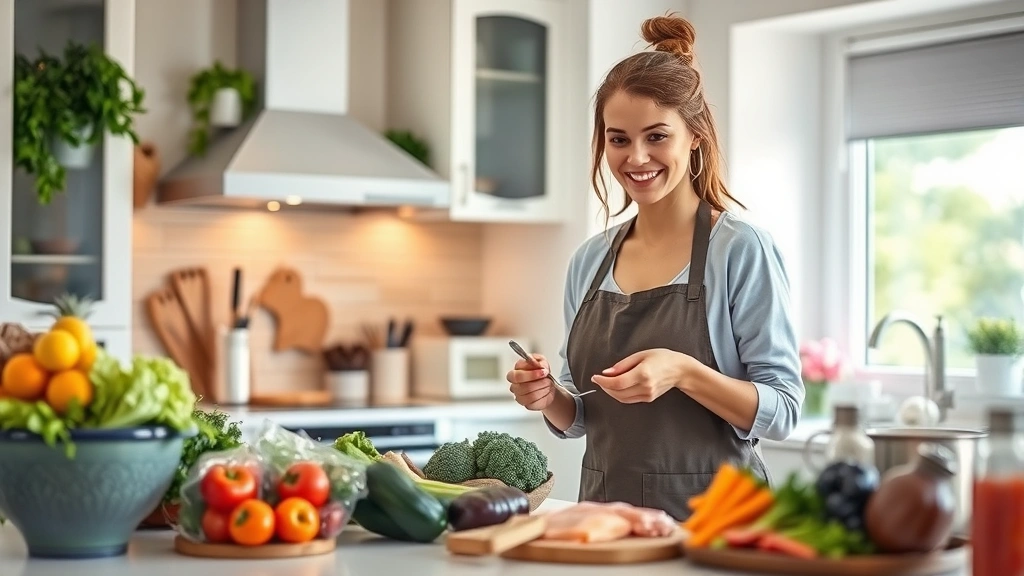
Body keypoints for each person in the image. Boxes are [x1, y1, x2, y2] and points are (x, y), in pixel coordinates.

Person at [505, 14, 804, 521]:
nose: (636, 157)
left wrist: (684, 372)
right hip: (605, 523)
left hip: (716, 526)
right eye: (618, 139)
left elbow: (783, 411)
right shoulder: (590, 260)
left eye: (656, 136)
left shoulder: (740, 250)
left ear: (695, 136)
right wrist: (548, 395)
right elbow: (581, 413)